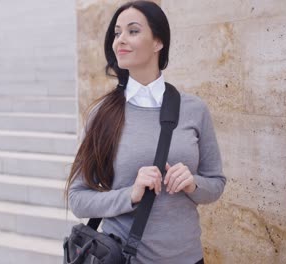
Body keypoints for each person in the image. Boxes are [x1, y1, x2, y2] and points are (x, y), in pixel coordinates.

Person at [65, 1, 225, 263]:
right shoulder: (102, 115)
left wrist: (193, 183)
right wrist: (130, 194)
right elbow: (78, 199)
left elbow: (216, 183)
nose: (121, 41)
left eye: (133, 31)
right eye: (117, 33)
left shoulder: (194, 109)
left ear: (158, 42)